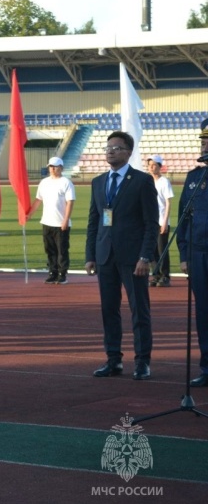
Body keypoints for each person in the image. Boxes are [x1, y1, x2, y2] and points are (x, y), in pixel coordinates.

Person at [86, 131, 158, 380]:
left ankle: (142, 361)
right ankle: (113, 359)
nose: (110, 151)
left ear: (128, 152)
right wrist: (90, 255)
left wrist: (145, 256)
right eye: (108, 148)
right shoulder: (98, 182)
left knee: (139, 309)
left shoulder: (141, 181)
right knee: (109, 309)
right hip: (105, 255)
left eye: (116, 148)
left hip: (133, 257)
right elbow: (94, 221)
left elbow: (151, 223)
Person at [178, 119, 208, 387]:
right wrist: (184, 255)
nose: (205, 143)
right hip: (199, 255)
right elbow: (183, 219)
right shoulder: (194, 178)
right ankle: (207, 367)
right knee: (203, 311)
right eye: (203, 139)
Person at [27, 156, 75, 285]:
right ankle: (52, 272)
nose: (52, 169)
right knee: (50, 249)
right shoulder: (44, 182)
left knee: (62, 250)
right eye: (50, 167)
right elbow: (38, 200)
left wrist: (65, 220)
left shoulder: (66, 182)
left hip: (60, 223)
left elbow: (70, 202)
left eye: (55, 166)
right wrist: (30, 213)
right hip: (47, 222)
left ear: (61, 168)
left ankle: (62, 274)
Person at [147, 155, 174, 287]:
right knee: (151, 250)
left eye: (154, 165)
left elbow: (168, 203)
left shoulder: (164, 182)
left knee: (162, 249)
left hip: (161, 221)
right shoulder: (147, 181)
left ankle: (165, 276)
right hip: (149, 222)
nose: (151, 168)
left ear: (160, 166)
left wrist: (165, 222)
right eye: (149, 165)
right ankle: (156, 274)